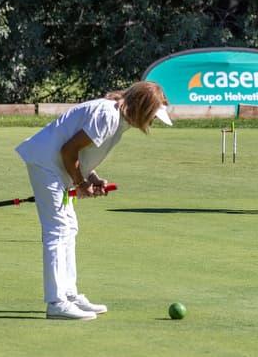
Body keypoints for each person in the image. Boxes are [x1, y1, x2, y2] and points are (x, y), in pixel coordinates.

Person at [15, 81, 172, 320]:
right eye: (152, 115)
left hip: (57, 166)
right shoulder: (108, 116)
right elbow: (68, 150)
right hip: (46, 163)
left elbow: (81, 153)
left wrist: (91, 177)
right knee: (57, 230)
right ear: (142, 106)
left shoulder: (118, 120)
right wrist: (80, 184)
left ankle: (69, 294)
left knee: (69, 227)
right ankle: (56, 302)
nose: (152, 122)